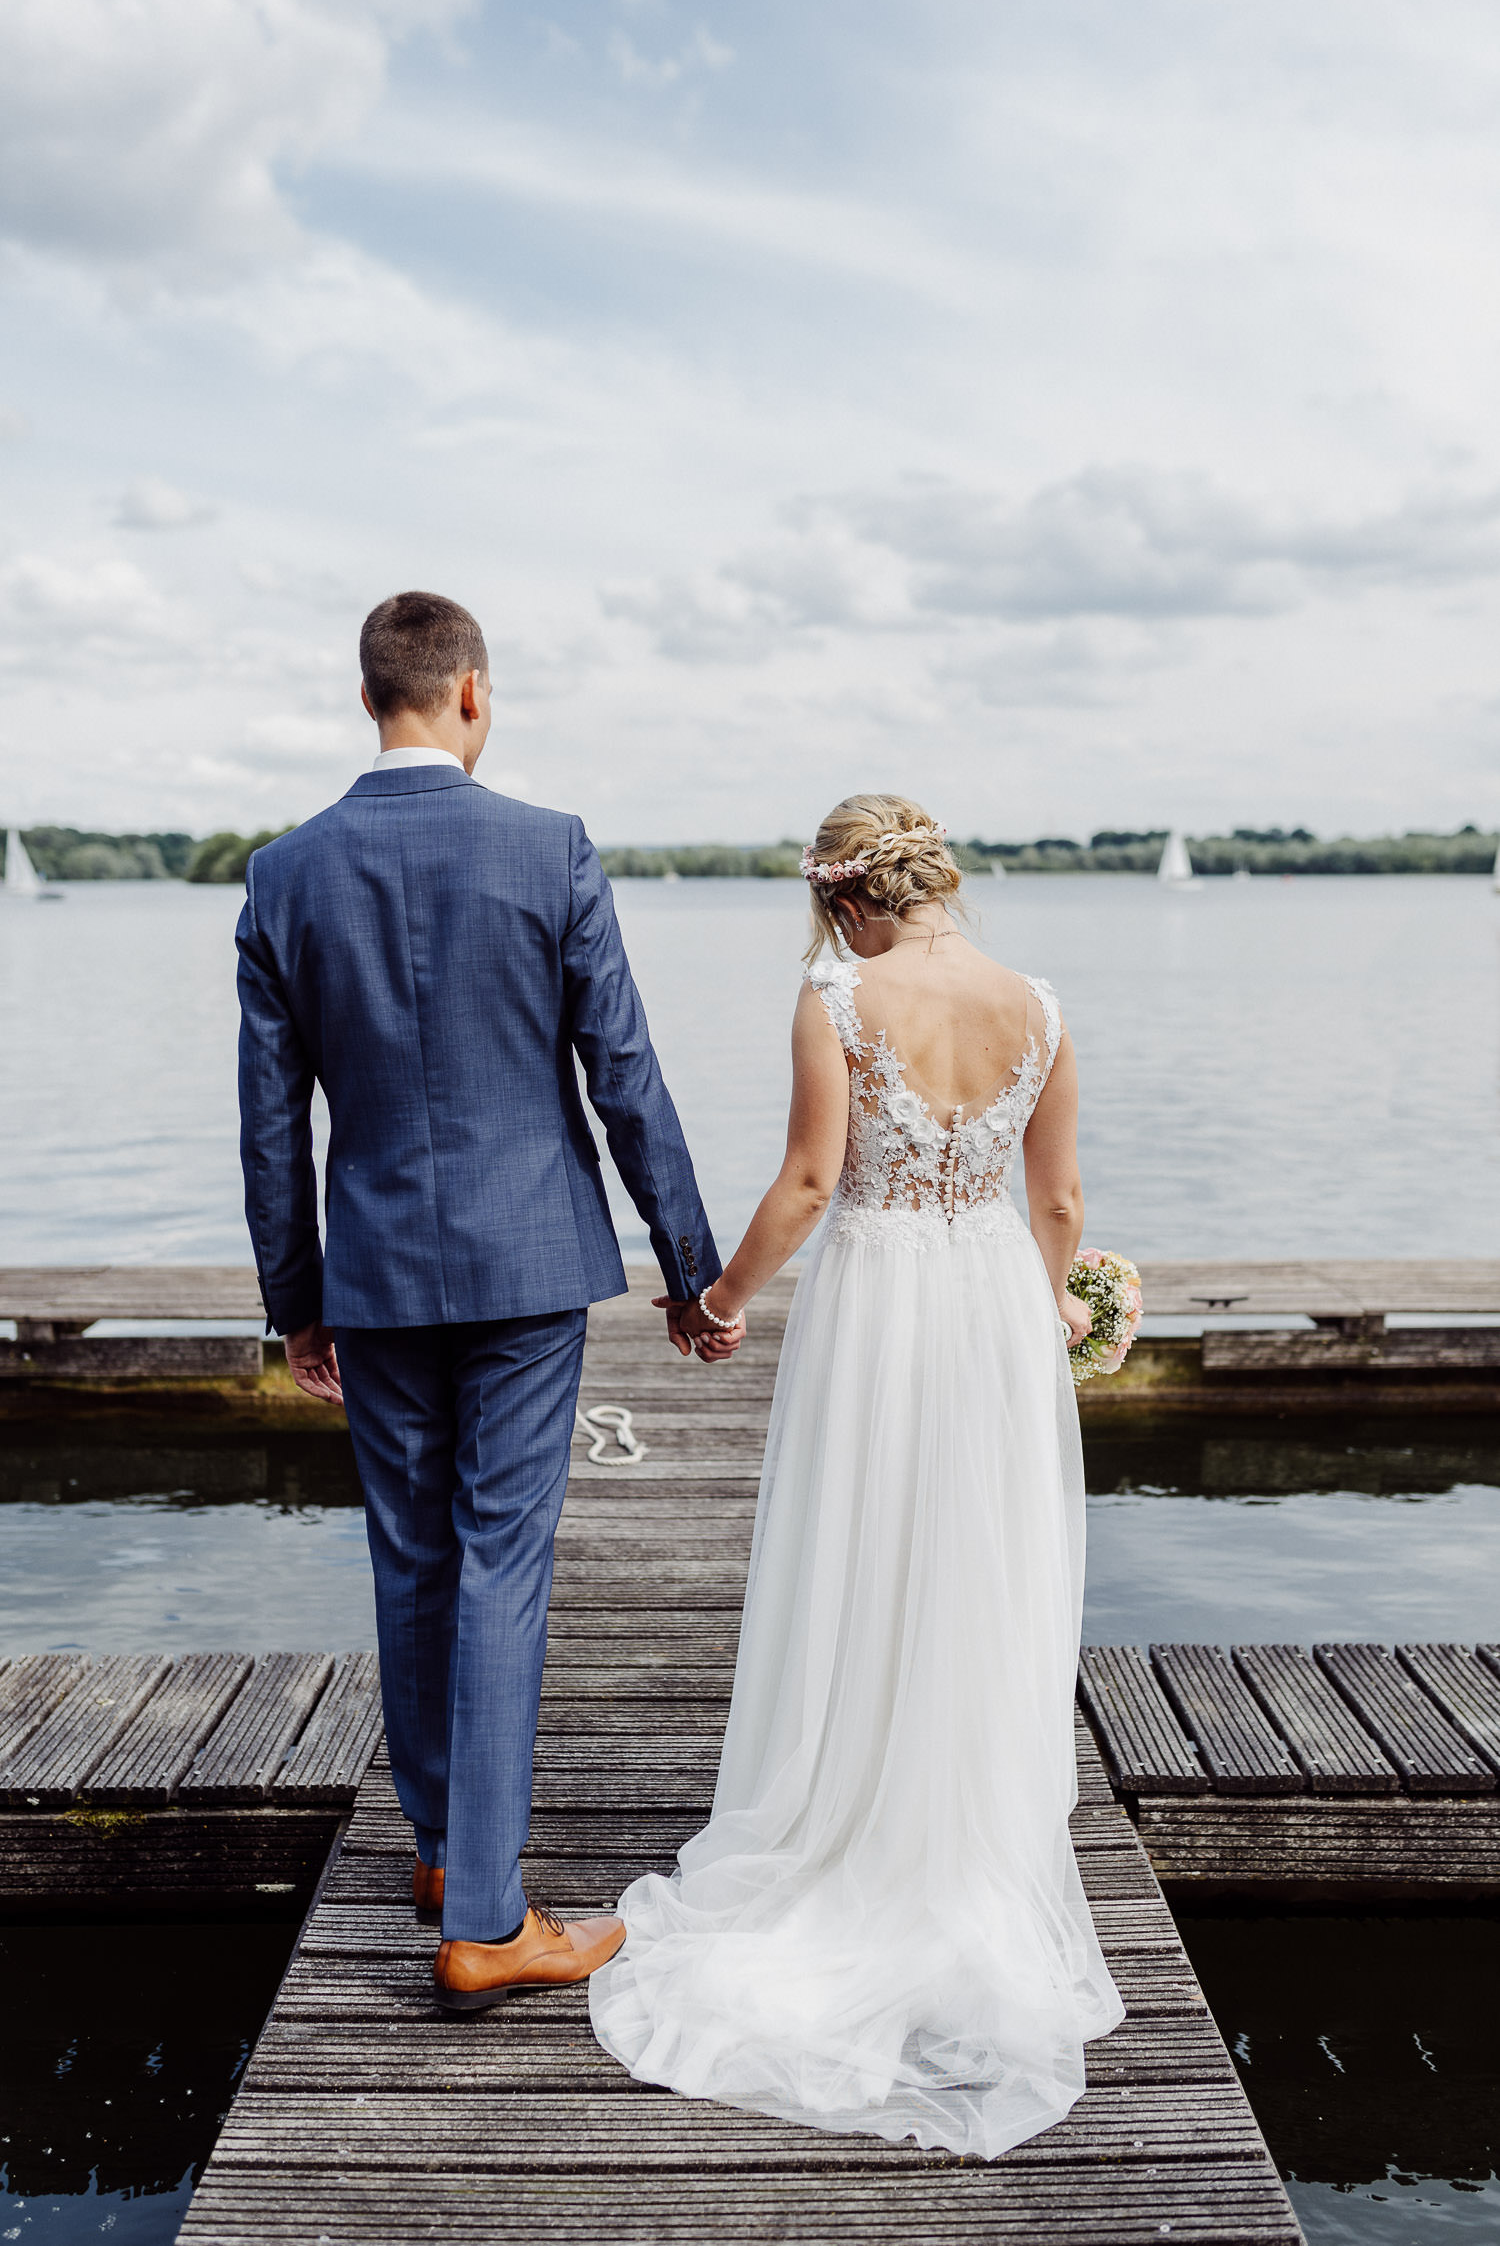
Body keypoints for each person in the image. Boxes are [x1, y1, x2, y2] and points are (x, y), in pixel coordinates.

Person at [589, 793, 1124, 2156]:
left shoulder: (836, 998)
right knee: (976, 1556)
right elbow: (1055, 1203)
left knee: (864, 1542)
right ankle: (962, 1832)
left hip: (881, 1294)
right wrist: (1061, 1303)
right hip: (991, 1295)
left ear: (842, 899)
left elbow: (813, 1182)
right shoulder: (1040, 1006)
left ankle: (854, 1808)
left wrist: (719, 1295)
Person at [236, 589, 742, 2013]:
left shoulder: (285, 874)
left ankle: (445, 1851)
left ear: (368, 698)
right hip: (528, 1268)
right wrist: (692, 1271)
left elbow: (271, 1125)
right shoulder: (550, 847)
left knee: (414, 1555)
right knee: (501, 1560)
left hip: (378, 1271)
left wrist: (296, 1300)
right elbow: (625, 1076)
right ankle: (491, 1916)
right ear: (472, 692)